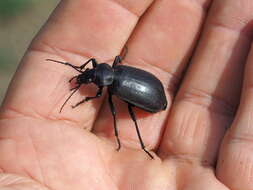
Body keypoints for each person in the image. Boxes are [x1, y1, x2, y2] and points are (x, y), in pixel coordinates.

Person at [0, 0, 252, 189]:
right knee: (121, 110)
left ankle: (139, 145)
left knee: (127, 114)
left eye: (89, 75)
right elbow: (96, 71)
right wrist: (82, 73)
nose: (88, 76)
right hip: (150, 86)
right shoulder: (113, 69)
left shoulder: (111, 85)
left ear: (101, 76)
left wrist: (85, 98)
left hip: (153, 99)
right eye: (89, 75)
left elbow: (97, 91)